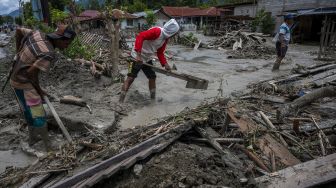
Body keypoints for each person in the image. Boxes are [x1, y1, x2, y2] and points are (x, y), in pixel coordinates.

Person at [10, 25, 76, 151]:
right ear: (59, 39)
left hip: (15, 81)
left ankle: (33, 139)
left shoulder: (36, 33)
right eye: (67, 43)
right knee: (38, 114)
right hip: (25, 84)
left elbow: (18, 30)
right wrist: (39, 91)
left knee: (26, 110)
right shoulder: (48, 53)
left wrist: (18, 50)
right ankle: (48, 147)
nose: (67, 46)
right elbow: (31, 74)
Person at [119, 19, 180, 102]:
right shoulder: (157, 31)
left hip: (147, 58)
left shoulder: (165, 39)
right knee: (130, 78)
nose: (175, 35)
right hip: (136, 57)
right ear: (171, 32)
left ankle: (152, 100)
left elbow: (160, 52)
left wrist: (165, 64)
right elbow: (140, 36)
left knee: (152, 77)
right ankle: (121, 101)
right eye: (175, 33)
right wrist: (138, 56)